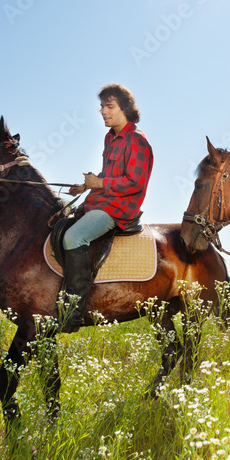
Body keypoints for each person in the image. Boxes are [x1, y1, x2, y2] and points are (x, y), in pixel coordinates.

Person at [58, 83, 153, 332]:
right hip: (101, 201)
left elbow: (135, 182)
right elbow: (111, 175)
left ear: (126, 109)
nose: (103, 111)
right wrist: (85, 186)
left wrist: (99, 183)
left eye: (109, 106)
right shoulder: (110, 138)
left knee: (74, 237)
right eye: (102, 106)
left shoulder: (138, 141)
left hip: (119, 209)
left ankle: (73, 312)